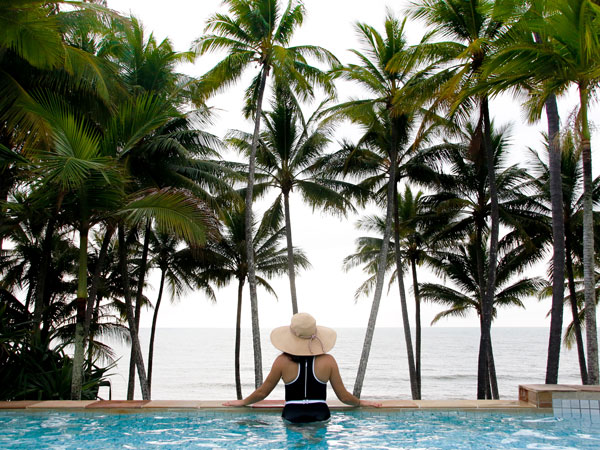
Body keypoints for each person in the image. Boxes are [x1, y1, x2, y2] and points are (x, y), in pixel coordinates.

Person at [223, 312, 382, 423]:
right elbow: (344, 397)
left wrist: (243, 402)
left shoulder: (282, 361)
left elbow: (263, 392)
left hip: (293, 415)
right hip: (320, 414)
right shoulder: (328, 361)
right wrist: (362, 403)